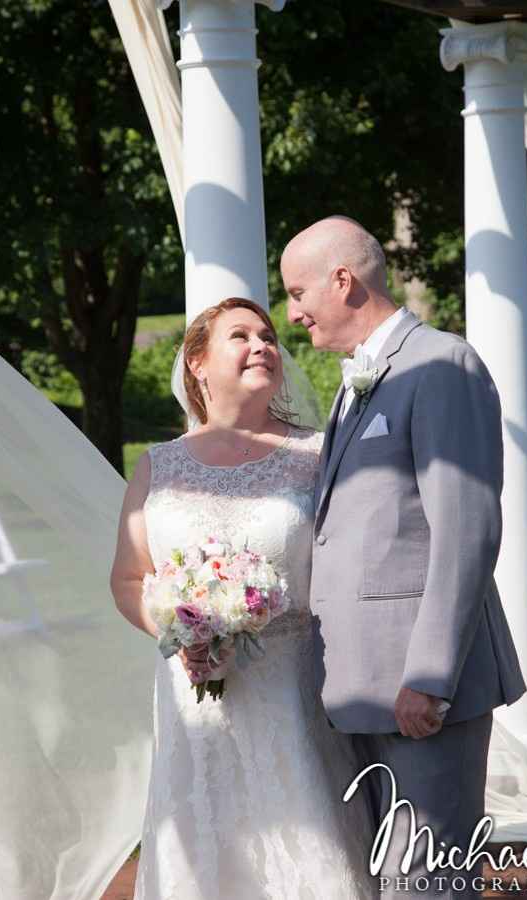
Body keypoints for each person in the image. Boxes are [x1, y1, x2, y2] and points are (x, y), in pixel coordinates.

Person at [281, 216, 527, 898]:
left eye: (299, 293)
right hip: (358, 687)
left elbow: (467, 529)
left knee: (428, 882)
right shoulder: (355, 380)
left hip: (415, 690)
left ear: (343, 280)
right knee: (387, 876)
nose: (293, 313)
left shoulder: (442, 365)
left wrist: (430, 676)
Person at [110, 297, 375, 900]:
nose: (262, 346)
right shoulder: (158, 466)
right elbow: (128, 578)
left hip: (295, 691)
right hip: (194, 701)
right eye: (241, 336)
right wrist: (181, 633)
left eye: (268, 337)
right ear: (197, 363)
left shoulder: (318, 455)